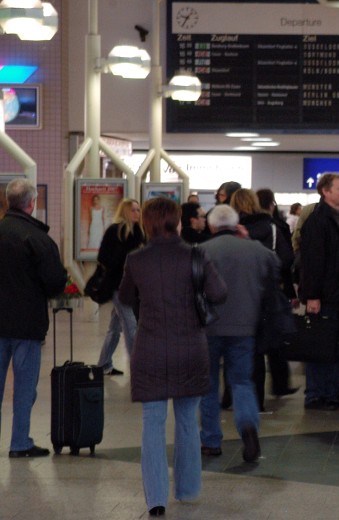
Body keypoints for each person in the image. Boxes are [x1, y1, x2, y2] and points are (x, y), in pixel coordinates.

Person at [118, 197, 227, 517]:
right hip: (189, 349)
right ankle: (189, 489)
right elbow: (220, 293)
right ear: (177, 222)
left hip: (150, 349)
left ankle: (155, 500)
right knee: (186, 422)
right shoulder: (196, 255)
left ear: (147, 224)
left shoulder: (136, 259)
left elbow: (125, 296)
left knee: (152, 423)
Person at [199, 204, 276, 462]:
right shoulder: (255, 249)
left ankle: (210, 440)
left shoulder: (201, 250)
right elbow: (276, 264)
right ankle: (248, 427)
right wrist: (250, 240)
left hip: (209, 327)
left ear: (211, 226)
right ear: (236, 225)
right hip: (245, 327)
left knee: (208, 383)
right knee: (242, 381)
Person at [0, 178, 67, 458]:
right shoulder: (38, 239)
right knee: (25, 387)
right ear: (31, 203)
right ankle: (19, 442)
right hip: (27, 325)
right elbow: (55, 283)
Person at [230, 188, 296, 404]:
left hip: (237, 295)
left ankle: (234, 396)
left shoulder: (230, 229)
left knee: (241, 346)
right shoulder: (271, 227)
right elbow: (285, 259)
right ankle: (266, 392)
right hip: (266, 293)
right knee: (266, 341)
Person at [299, 172, 339, 411]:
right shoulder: (318, 220)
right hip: (328, 295)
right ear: (326, 191)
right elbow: (312, 261)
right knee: (322, 345)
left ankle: (331, 392)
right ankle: (316, 394)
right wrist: (312, 296)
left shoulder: (337, 218)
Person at [96, 198, 145, 376]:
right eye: (133, 210)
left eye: (138, 210)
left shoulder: (139, 232)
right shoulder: (114, 231)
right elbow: (104, 257)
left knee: (115, 328)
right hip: (118, 285)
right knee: (130, 325)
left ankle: (103, 364)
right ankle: (137, 366)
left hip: (133, 285)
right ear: (125, 211)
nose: (137, 214)